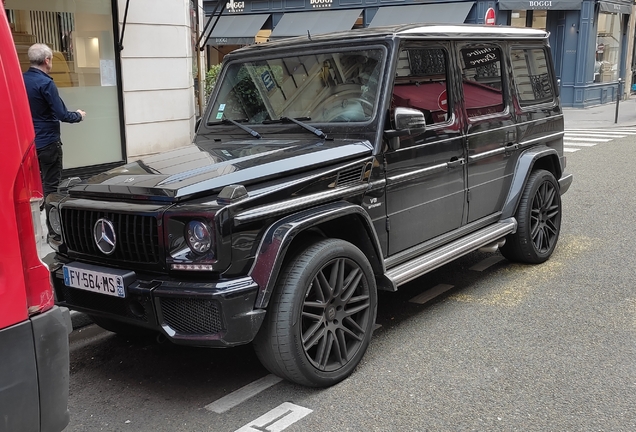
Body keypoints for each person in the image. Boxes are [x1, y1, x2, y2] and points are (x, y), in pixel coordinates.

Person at [23, 43, 85, 200]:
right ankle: (51, 219)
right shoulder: (46, 83)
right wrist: (78, 115)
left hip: (28, 143)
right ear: (47, 60)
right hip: (48, 142)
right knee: (51, 185)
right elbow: (62, 114)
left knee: (32, 185)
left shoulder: (21, 80)